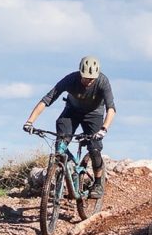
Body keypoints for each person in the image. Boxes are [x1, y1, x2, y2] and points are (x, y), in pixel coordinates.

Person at [23, 55, 116, 197]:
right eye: (86, 77)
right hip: (72, 111)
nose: (89, 81)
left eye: (92, 78)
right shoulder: (70, 79)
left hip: (94, 114)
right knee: (60, 144)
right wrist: (30, 122)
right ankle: (69, 167)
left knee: (94, 149)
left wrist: (104, 129)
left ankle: (97, 183)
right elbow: (47, 100)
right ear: (80, 73)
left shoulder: (102, 82)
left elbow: (111, 108)